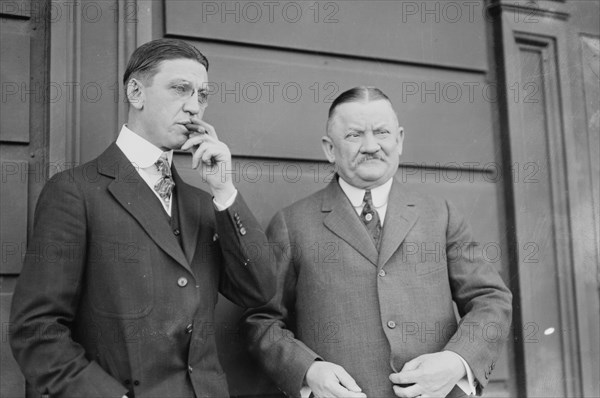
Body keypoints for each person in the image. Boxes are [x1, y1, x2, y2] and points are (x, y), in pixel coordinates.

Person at [10, 38, 275, 398]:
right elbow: (37, 330)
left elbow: (258, 289)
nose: (195, 107)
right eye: (181, 89)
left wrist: (224, 191)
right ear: (136, 92)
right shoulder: (76, 191)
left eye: (203, 95)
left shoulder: (203, 203)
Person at [243, 87, 512, 398]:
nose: (371, 146)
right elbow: (261, 320)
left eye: (381, 132)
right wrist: (308, 371)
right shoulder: (292, 224)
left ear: (399, 140)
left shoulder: (440, 214)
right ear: (330, 149)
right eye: (355, 135)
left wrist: (456, 361)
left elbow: (491, 299)